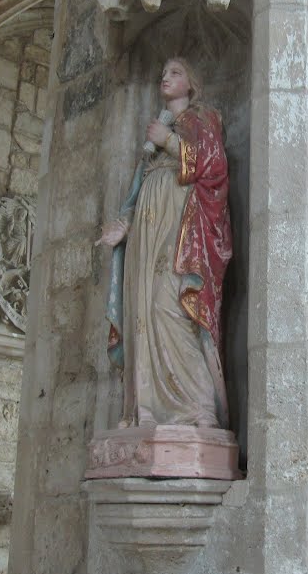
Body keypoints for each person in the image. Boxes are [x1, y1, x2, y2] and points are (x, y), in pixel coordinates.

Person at [97, 58, 233, 429]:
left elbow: (214, 166)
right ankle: (146, 410)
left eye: (175, 72)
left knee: (170, 307)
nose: (165, 77)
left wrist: (170, 141)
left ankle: (198, 408)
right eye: (163, 73)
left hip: (181, 229)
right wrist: (123, 225)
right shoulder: (157, 128)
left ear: (191, 82)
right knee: (142, 310)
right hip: (147, 228)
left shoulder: (202, 118)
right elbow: (138, 187)